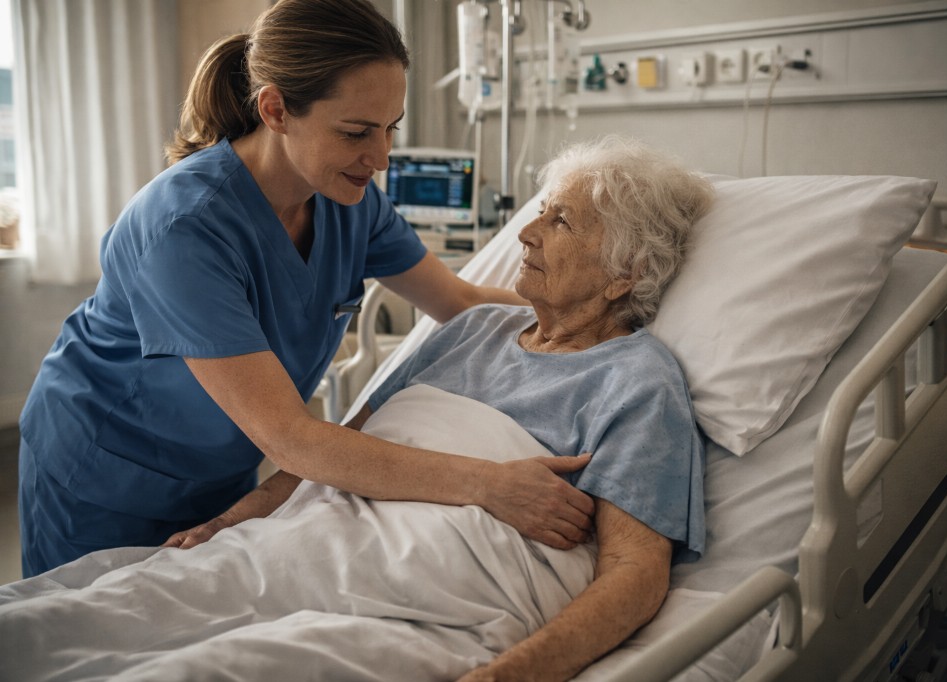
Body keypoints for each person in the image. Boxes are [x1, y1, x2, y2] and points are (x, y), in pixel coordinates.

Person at [1, 135, 714, 681]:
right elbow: (337, 448)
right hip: (247, 525)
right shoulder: (472, 334)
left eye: (559, 222)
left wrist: (516, 672)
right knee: (71, 618)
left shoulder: (637, 381)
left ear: (627, 274)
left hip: (428, 602)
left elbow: (634, 570)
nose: (526, 232)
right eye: (540, 212)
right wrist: (232, 522)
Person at [16, 0, 594, 578]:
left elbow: (460, 302)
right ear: (275, 110)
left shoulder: (352, 201)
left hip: (223, 465)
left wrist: (595, 310)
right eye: (356, 132)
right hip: (104, 472)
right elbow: (293, 439)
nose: (382, 158)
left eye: (390, 129)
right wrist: (490, 484)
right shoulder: (184, 228)